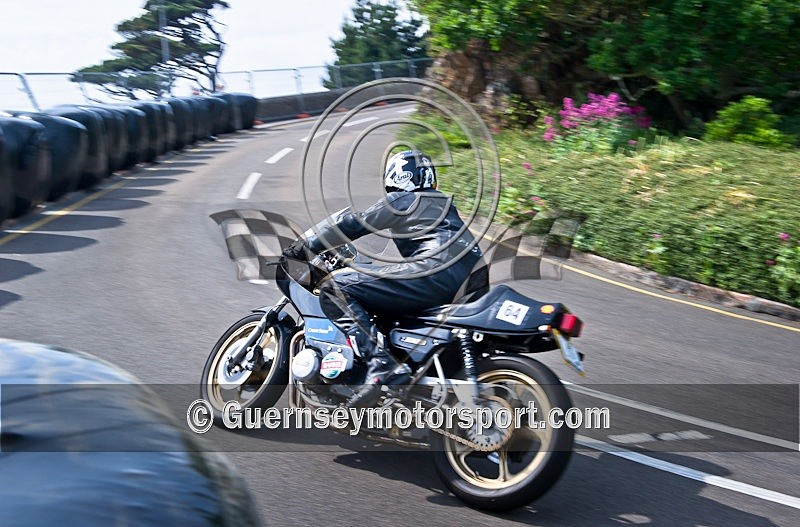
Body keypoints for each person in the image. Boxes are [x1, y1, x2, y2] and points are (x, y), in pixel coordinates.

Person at [283, 150, 484, 407]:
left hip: (435, 272)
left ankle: (381, 363)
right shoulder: (444, 205)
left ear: (396, 178)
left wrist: (306, 247)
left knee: (336, 289)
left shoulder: (406, 200)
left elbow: (356, 223)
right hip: (474, 282)